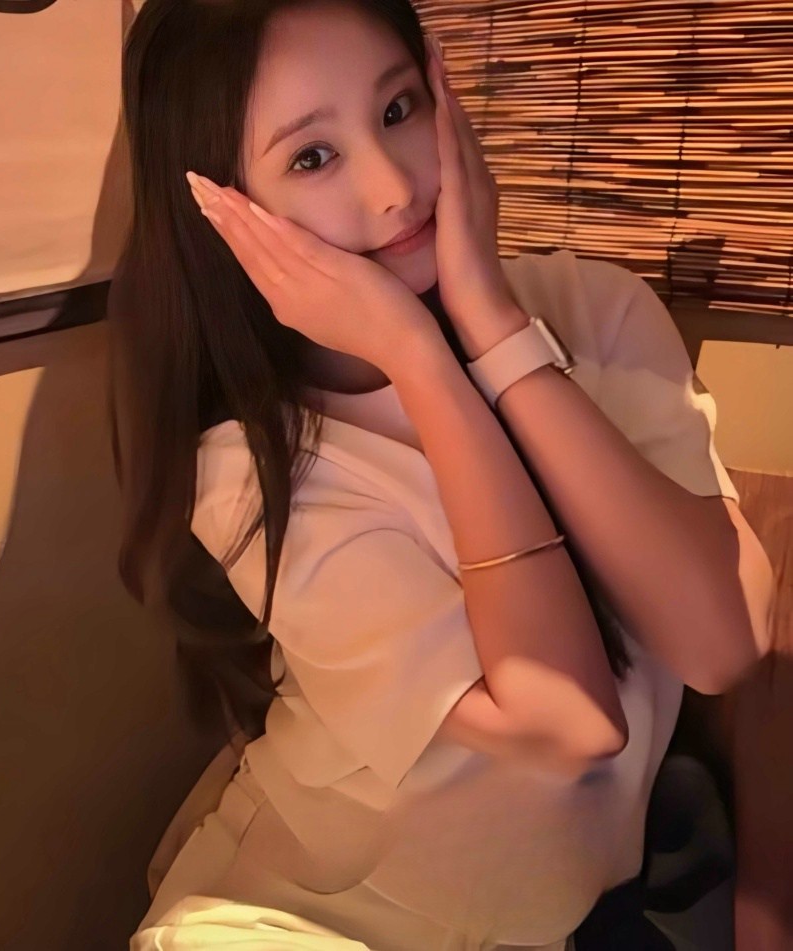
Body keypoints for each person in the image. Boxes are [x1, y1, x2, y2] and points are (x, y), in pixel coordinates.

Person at [108, 1, 775, 949]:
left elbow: (722, 643)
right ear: (226, 213)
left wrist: (495, 329)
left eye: (398, 109)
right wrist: (420, 361)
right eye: (312, 156)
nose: (393, 188)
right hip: (310, 914)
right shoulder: (252, 465)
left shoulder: (595, 311)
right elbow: (568, 719)